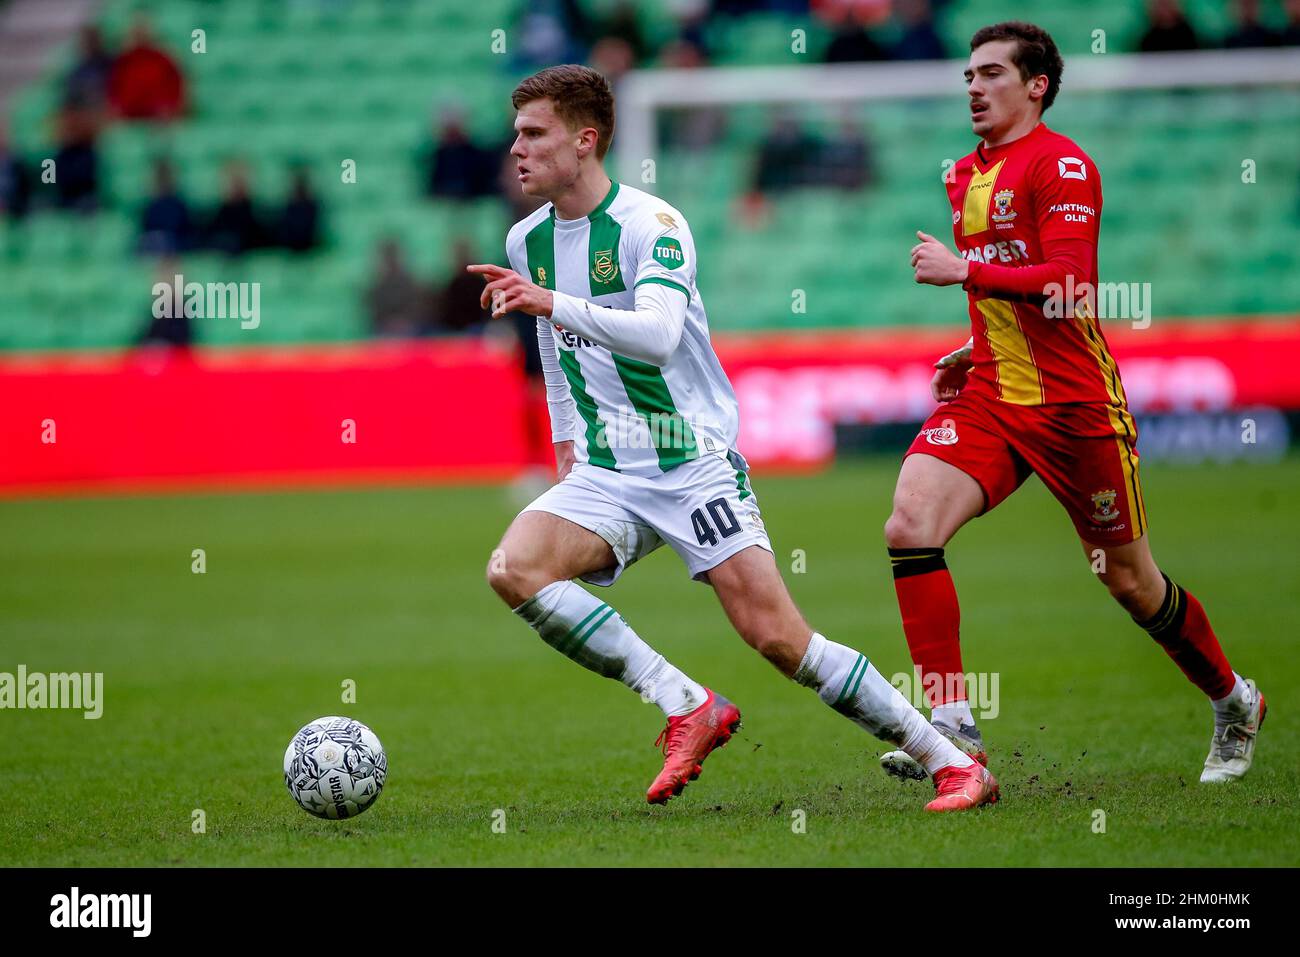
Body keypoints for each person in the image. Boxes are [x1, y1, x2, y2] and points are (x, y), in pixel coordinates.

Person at [468, 65, 997, 811]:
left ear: (584, 140)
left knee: (783, 641)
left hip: (690, 466)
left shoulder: (654, 226)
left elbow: (655, 335)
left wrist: (552, 300)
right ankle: (687, 702)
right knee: (513, 568)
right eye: (515, 133)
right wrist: (565, 452)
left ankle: (952, 762)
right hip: (608, 471)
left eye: (533, 133)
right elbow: (555, 357)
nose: (515, 149)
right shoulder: (528, 240)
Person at [880, 21, 1264, 785]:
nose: (975, 88)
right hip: (993, 392)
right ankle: (954, 729)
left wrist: (964, 275)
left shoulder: (1064, 166)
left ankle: (1232, 699)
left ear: (1036, 86)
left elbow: (1070, 283)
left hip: (1073, 407)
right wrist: (974, 340)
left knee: (1129, 582)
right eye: (968, 76)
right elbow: (1005, 278)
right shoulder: (964, 174)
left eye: (991, 74)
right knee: (909, 523)